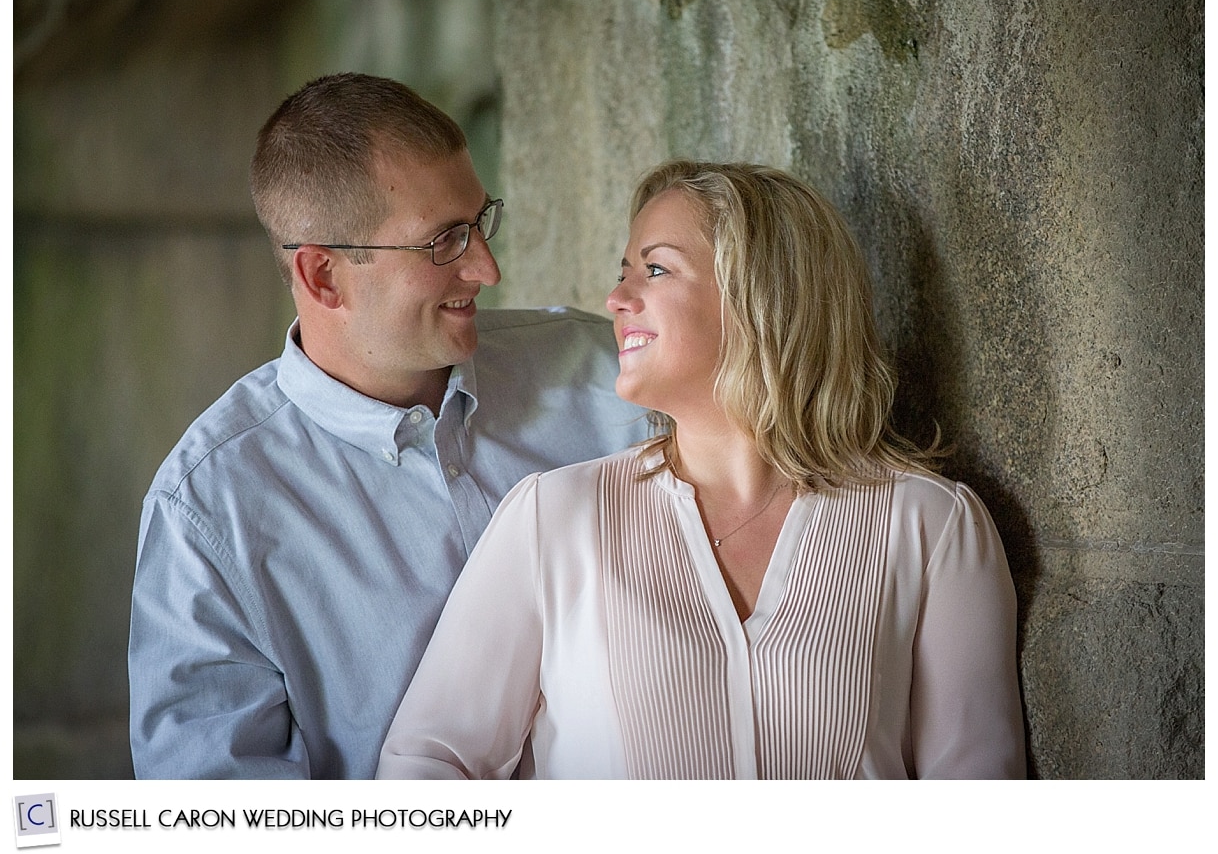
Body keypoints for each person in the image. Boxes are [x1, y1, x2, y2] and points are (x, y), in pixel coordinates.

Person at [376, 160, 1027, 780]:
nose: (616, 298)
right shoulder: (555, 516)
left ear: (759, 297)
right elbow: (429, 763)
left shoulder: (930, 524)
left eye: (655, 269)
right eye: (623, 269)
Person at [127, 72, 649, 779]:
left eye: (479, 221)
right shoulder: (207, 512)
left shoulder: (610, 373)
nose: (487, 269)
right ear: (323, 278)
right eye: (445, 242)